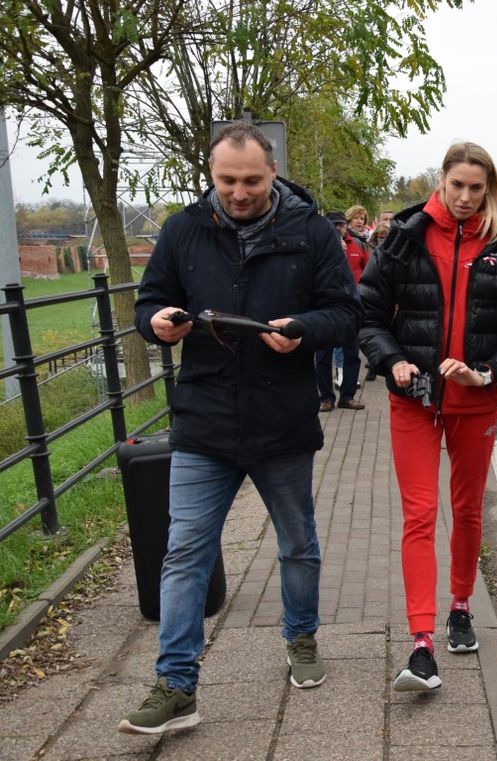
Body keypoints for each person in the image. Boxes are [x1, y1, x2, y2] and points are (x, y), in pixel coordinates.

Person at [121, 123, 362, 734]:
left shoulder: (310, 232)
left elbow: (346, 313)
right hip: (204, 420)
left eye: (251, 180)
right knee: (185, 552)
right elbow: (147, 303)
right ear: (211, 174)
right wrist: (159, 325)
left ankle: (301, 639)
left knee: (296, 543)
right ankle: (176, 684)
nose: (239, 192)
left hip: (281, 419)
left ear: (273, 171)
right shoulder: (182, 230)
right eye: (226, 180)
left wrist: (304, 327)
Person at [357, 142, 497, 691]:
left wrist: (487, 372)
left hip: (475, 401)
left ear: (489, 189)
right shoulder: (404, 239)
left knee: (466, 510)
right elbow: (368, 314)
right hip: (412, 398)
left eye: (476, 188)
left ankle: (460, 605)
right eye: (456, 185)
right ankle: (420, 644)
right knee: (420, 515)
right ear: (440, 181)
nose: (465, 198)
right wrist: (390, 360)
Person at [315, 211, 368, 412]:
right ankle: (326, 398)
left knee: (351, 354)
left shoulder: (357, 244)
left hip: (350, 307)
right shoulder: (318, 245)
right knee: (322, 356)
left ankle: (347, 397)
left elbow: (367, 271)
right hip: (324, 307)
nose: (338, 228)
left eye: (341, 224)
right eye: (334, 224)